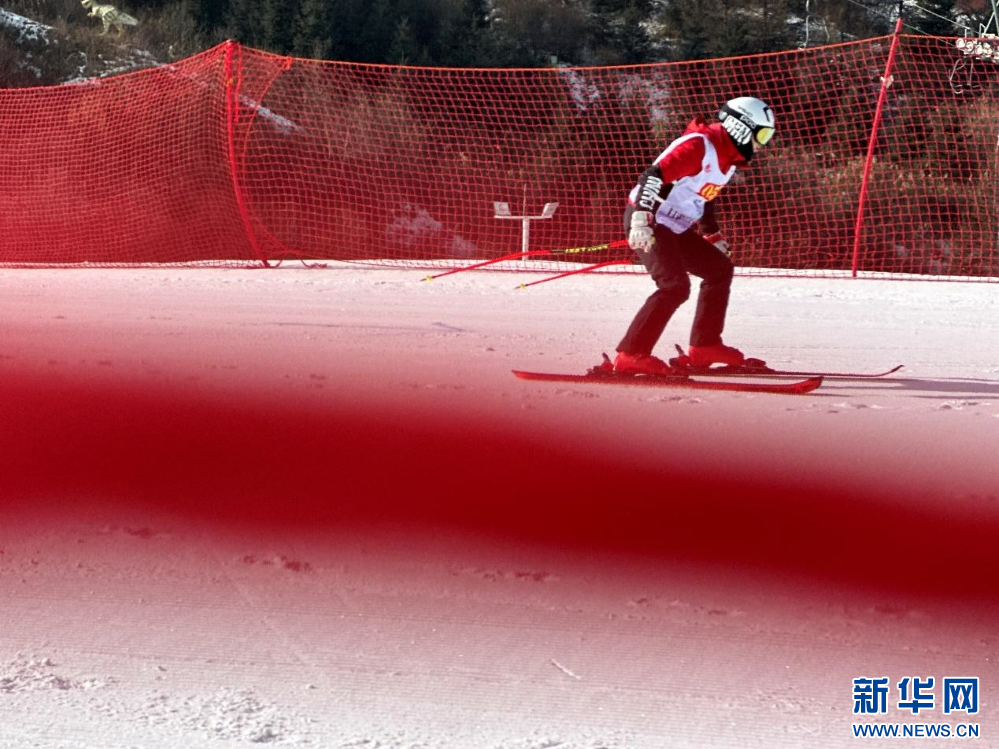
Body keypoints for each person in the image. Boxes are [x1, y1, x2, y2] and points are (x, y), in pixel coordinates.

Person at [613, 96, 776, 375]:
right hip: (651, 219)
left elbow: (705, 196)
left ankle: (705, 346)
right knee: (674, 286)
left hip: (675, 227)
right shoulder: (699, 145)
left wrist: (711, 234)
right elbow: (653, 176)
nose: (762, 144)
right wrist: (641, 218)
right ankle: (630, 354)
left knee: (719, 270)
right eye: (761, 135)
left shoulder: (728, 158)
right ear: (740, 127)